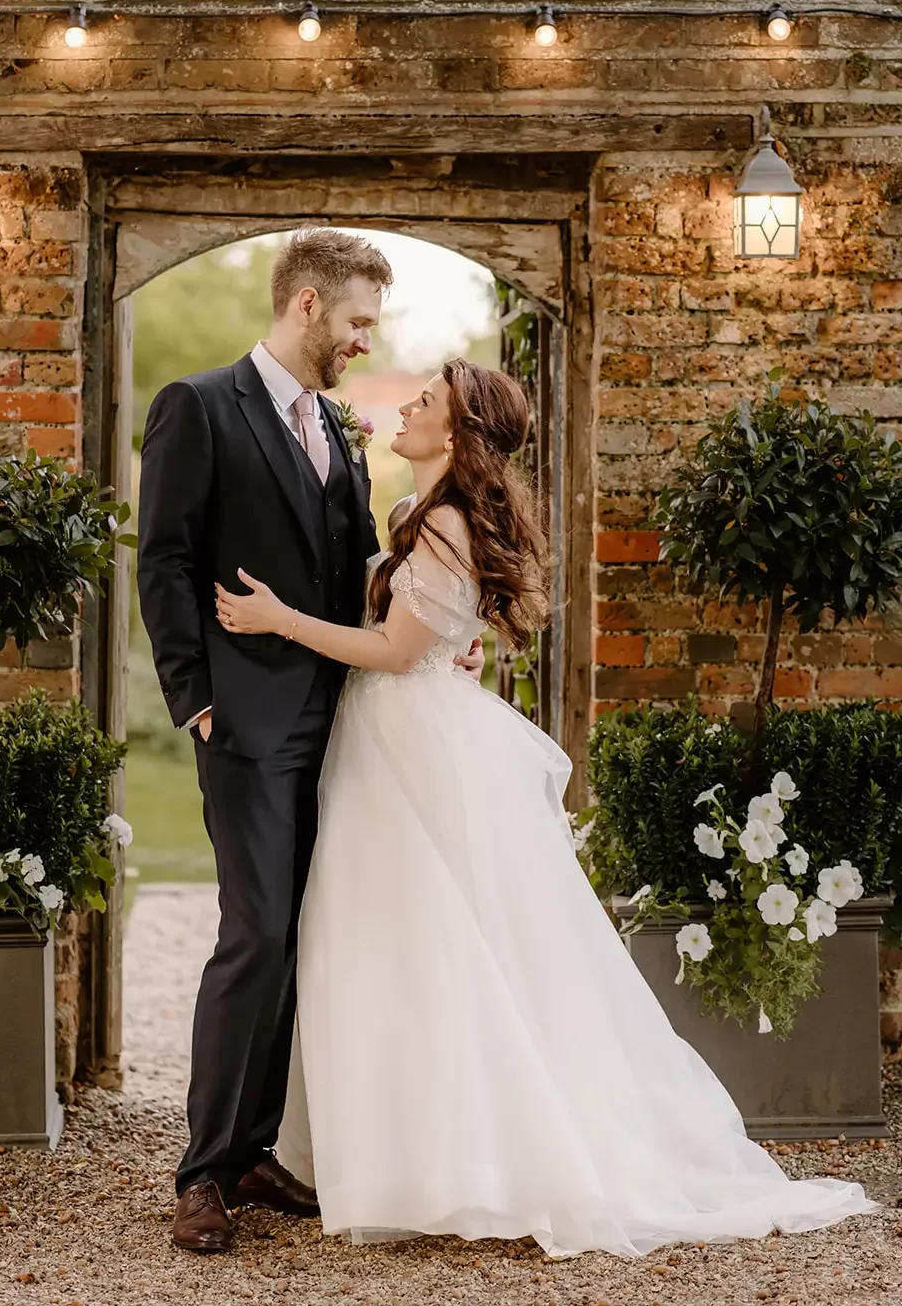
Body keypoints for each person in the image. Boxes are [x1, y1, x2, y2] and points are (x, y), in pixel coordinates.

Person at [215, 357, 878, 1260]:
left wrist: (279, 621)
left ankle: (473, 1156)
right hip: (390, 743)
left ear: (454, 436)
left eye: (424, 402)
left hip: (415, 749)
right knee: (395, 945)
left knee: (441, 944)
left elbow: (392, 646)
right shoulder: (417, 514)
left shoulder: (444, 522)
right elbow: (435, 632)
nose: (404, 407)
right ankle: (398, 1146)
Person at [137, 227, 481, 1254]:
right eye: (358, 322)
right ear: (307, 308)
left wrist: (424, 644)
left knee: (303, 932)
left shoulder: (334, 428)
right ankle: (201, 1171)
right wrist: (194, 700)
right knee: (254, 933)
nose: (364, 343)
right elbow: (162, 561)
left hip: (340, 725)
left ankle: (250, 1147)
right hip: (243, 724)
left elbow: (349, 574)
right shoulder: (197, 408)